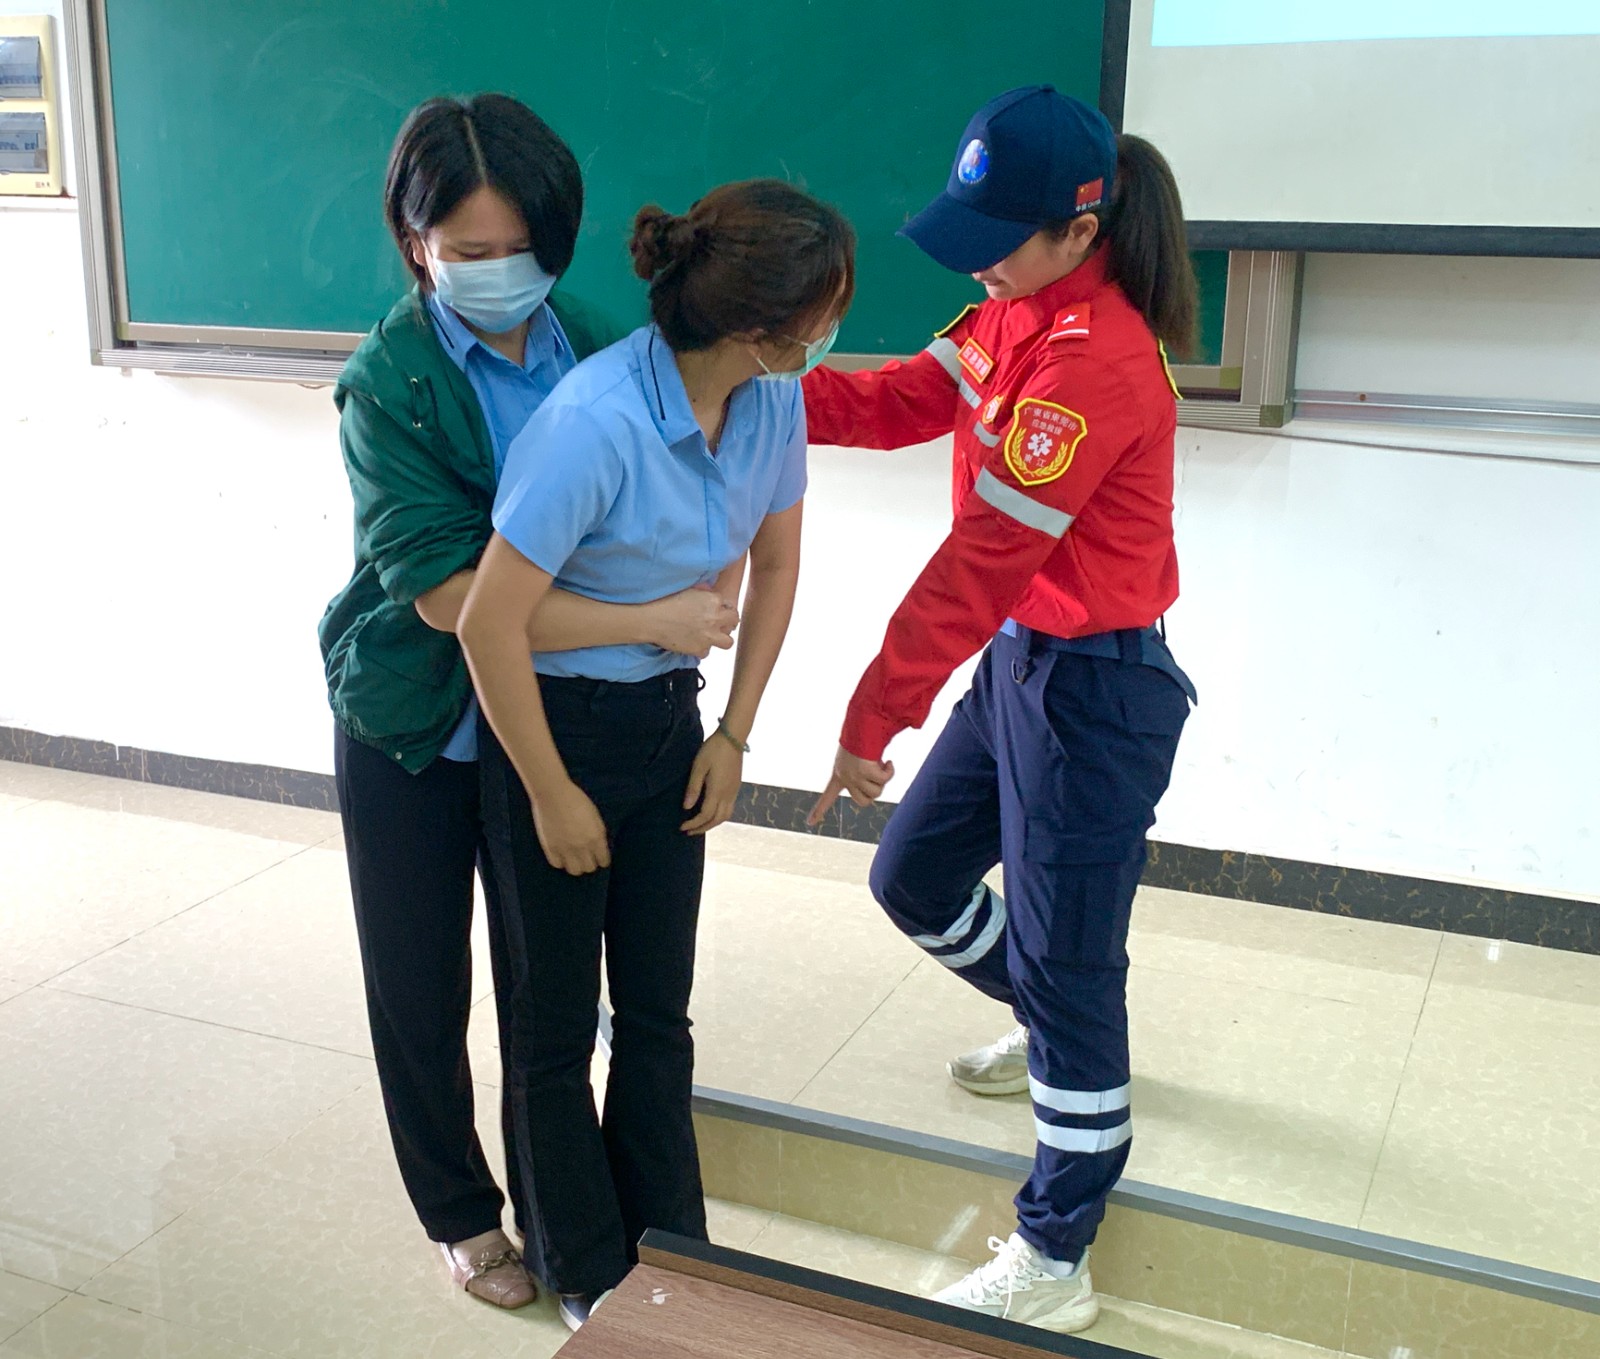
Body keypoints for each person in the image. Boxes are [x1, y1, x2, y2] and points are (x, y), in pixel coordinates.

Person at [318, 94, 738, 1309]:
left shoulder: (602, 344)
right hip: (417, 723)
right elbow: (457, 601)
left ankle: (588, 1222)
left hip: (555, 725)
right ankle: (459, 1214)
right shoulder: (386, 382)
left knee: (544, 995)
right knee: (419, 985)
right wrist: (648, 622)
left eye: (524, 250)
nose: (501, 274)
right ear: (415, 244)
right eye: (470, 251)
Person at [804, 86, 1198, 1333]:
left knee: (1071, 967)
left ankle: (1055, 1254)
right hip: (1022, 669)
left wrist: (874, 715)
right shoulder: (1009, 310)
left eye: (998, 239)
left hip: (1093, 694)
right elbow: (895, 402)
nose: (974, 261)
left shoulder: (1094, 363)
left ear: (1080, 230)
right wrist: (755, 393)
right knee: (913, 878)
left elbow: (981, 560)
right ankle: (1049, 1023)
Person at [457, 178, 854, 1331]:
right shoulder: (595, 421)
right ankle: (583, 1268)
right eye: (825, 311)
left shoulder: (771, 401)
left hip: (668, 721)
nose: (833, 331)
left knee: (656, 1014)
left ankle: (671, 1246)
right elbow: (487, 623)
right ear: (759, 324)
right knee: (551, 1030)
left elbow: (776, 565)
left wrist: (732, 734)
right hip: (551, 727)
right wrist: (548, 792)